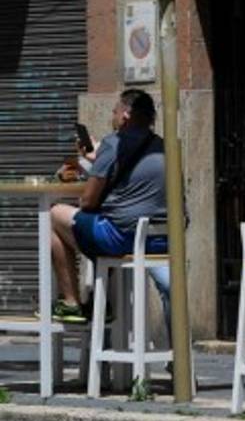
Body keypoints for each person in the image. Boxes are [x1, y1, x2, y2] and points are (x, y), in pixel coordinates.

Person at [48, 89, 170, 324]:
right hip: (161, 240)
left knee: (53, 215)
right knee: (99, 232)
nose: (112, 117)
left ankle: (71, 302)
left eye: (114, 112)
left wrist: (100, 158)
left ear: (125, 115)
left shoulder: (113, 143)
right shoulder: (162, 146)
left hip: (122, 238)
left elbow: (88, 201)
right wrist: (98, 159)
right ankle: (99, 302)